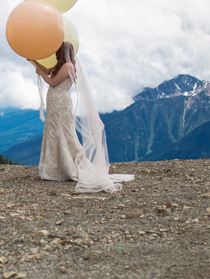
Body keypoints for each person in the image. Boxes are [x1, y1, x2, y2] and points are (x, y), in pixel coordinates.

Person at [30, 41, 133, 192]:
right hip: (55, 102)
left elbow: (52, 82)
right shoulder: (62, 65)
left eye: (58, 51)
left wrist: (41, 73)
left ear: (63, 52)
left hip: (60, 102)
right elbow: (48, 71)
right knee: (54, 130)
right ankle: (54, 167)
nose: (56, 53)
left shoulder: (67, 66)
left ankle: (67, 166)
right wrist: (34, 61)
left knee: (63, 132)